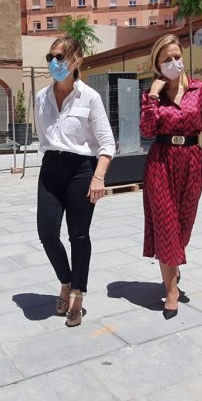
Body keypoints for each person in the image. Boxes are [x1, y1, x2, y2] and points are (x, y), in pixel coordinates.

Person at [34, 36, 115, 327]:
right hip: (51, 167)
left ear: (76, 60)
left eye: (60, 57)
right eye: (51, 57)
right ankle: (66, 281)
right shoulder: (41, 97)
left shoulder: (90, 97)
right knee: (46, 232)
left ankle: (78, 294)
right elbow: (44, 137)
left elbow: (107, 144)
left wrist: (98, 177)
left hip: (82, 169)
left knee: (79, 235)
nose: (54, 63)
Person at [140, 34, 202, 319]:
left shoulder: (200, 90)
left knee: (183, 226)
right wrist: (152, 96)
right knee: (165, 225)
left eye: (177, 57)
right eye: (167, 59)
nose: (174, 62)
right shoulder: (152, 95)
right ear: (157, 64)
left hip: (190, 161)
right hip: (160, 162)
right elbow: (147, 130)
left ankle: (172, 266)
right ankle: (171, 290)